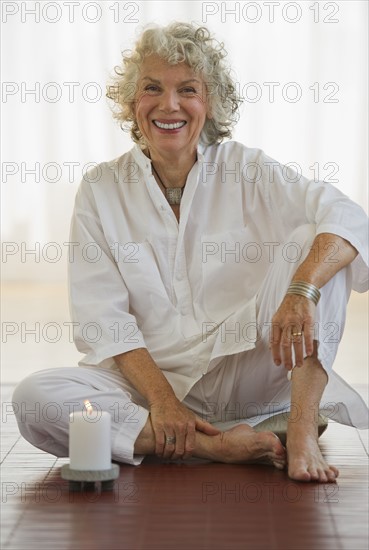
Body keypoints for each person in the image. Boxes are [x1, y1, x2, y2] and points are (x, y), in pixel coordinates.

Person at [13, 22, 368, 482]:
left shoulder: (246, 167)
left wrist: (301, 291)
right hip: (151, 385)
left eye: (188, 90)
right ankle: (214, 445)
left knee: (318, 244)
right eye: (152, 88)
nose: (169, 105)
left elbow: (349, 217)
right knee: (34, 397)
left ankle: (299, 429)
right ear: (131, 102)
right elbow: (104, 321)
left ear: (211, 102)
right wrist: (162, 402)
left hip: (251, 373)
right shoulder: (101, 189)